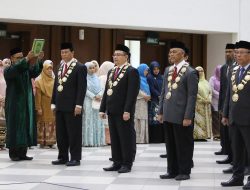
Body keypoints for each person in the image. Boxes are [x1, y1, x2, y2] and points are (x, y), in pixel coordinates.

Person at [158, 41, 198, 181]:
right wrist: (160, 111)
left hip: (182, 116)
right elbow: (163, 92)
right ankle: (172, 170)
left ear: (183, 54)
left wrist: (188, 116)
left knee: (183, 145)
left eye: (174, 52)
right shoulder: (168, 70)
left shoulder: (191, 72)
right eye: (170, 52)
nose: (171, 54)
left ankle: (184, 171)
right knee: (170, 145)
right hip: (169, 113)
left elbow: (192, 96)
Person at [99, 44, 140, 173]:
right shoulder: (112, 71)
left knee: (125, 137)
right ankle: (116, 162)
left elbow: (132, 93)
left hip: (124, 112)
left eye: (118, 55)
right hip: (112, 110)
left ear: (126, 57)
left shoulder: (131, 71)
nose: (115, 57)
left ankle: (127, 163)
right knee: (115, 138)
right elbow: (107, 91)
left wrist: (127, 110)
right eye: (114, 55)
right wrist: (102, 108)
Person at [4, 47, 44, 161]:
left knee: (25, 126)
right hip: (14, 104)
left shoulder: (25, 69)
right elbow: (17, 68)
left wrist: (39, 60)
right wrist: (27, 58)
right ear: (12, 58)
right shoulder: (9, 70)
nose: (21, 59)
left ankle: (23, 153)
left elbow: (35, 72)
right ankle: (14, 153)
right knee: (15, 127)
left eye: (22, 57)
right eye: (18, 58)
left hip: (26, 104)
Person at [51, 42, 87, 166]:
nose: (64, 54)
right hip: (60, 106)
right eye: (62, 52)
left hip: (73, 107)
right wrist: (53, 103)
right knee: (61, 134)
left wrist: (79, 105)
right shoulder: (60, 66)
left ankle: (75, 158)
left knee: (74, 133)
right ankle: (62, 156)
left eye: (66, 52)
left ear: (72, 53)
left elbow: (82, 88)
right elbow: (56, 86)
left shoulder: (80, 67)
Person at [221, 40, 250, 189]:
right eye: (236, 53)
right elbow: (228, 94)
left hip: (248, 118)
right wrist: (225, 114)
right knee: (237, 150)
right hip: (234, 117)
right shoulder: (233, 70)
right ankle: (237, 177)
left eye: (241, 53)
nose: (237, 55)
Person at [216, 43, 235, 165]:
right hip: (224, 105)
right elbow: (223, 89)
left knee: (233, 135)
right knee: (225, 132)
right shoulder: (223, 68)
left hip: (235, 107)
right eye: (226, 51)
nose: (228, 54)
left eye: (230, 51)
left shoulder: (237, 68)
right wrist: (221, 107)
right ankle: (228, 154)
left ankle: (235, 158)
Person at [82, 61, 105, 147]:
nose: (92, 70)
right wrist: (94, 96)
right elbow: (84, 90)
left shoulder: (97, 78)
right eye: (90, 68)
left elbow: (102, 88)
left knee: (97, 119)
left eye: (93, 68)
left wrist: (99, 95)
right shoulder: (84, 78)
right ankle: (89, 141)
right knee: (89, 119)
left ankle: (97, 141)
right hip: (88, 101)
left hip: (98, 101)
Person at [35, 60, 56, 148]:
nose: (50, 70)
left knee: (52, 122)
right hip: (43, 106)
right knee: (43, 122)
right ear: (44, 69)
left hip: (51, 106)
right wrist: (38, 108)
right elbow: (37, 96)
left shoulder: (54, 79)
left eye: (51, 68)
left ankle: (51, 142)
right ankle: (43, 142)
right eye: (48, 69)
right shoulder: (39, 80)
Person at [147, 61, 164, 144]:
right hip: (154, 101)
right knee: (154, 119)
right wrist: (158, 95)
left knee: (161, 119)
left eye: (157, 69)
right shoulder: (149, 77)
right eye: (154, 69)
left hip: (162, 101)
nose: (156, 71)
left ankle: (161, 138)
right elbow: (151, 88)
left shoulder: (161, 77)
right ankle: (155, 139)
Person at [193, 66, 212, 140]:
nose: (200, 73)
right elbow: (194, 93)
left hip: (206, 105)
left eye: (201, 71)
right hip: (198, 104)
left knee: (206, 120)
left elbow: (210, 92)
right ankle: (198, 136)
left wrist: (209, 98)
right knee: (199, 121)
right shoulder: (194, 82)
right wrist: (202, 99)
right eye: (198, 71)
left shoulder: (206, 82)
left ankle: (205, 135)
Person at [98, 61, 115, 144]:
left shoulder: (100, 78)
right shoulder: (110, 77)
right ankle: (110, 140)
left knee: (104, 121)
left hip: (101, 101)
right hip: (109, 101)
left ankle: (105, 139)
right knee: (108, 121)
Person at [135, 63, 151, 144]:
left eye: (147, 71)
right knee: (139, 119)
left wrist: (148, 96)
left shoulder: (145, 79)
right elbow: (135, 90)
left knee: (143, 119)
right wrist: (145, 96)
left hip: (144, 102)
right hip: (139, 101)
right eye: (145, 70)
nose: (146, 72)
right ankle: (138, 139)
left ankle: (143, 139)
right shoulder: (137, 79)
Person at [209, 65, 221, 139]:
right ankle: (216, 134)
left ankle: (221, 134)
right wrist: (220, 95)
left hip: (222, 102)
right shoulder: (212, 79)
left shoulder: (224, 78)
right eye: (219, 71)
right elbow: (211, 90)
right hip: (214, 101)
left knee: (221, 118)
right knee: (215, 118)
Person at [0, 59, 7, 150]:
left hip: (4, 101)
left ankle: (2, 143)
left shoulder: (4, 75)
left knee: (2, 123)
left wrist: (4, 98)